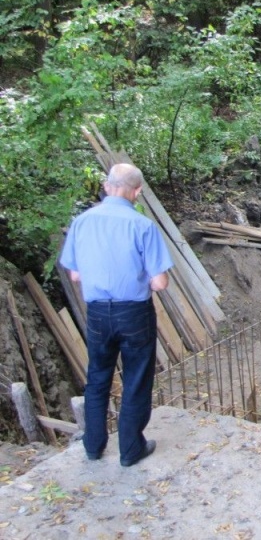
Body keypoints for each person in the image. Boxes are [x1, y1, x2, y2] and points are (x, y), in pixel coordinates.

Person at [60, 163, 174, 467]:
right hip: (134, 313)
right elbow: (160, 281)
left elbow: (74, 275)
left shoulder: (81, 222)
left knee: (97, 377)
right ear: (136, 191)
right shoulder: (142, 225)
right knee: (136, 377)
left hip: (97, 312)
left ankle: (93, 446)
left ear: (108, 186)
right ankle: (130, 449)